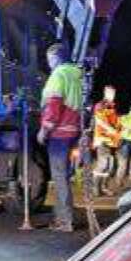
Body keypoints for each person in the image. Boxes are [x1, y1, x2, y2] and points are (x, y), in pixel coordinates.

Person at [37, 43, 83, 232]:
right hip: (74, 131)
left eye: (49, 60)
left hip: (59, 133)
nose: (49, 64)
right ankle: (62, 216)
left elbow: (53, 104)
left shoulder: (58, 74)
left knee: (59, 177)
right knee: (65, 176)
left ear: (55, 58)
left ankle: (65, 220)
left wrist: (44, 129)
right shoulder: (78, 74)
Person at [91, 85, 123, 196]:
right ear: (105, 93)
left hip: (112, 141)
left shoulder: (113, 106)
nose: (112, 95)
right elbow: (99, 121)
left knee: (109, 165)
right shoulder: (100, 105)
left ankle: (103, 187)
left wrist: (119, 130)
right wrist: (112, 130)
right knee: (102, 164)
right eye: (110, 92)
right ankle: (95, 187)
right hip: (102, 139)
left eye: (113, 93)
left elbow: (116, 121)